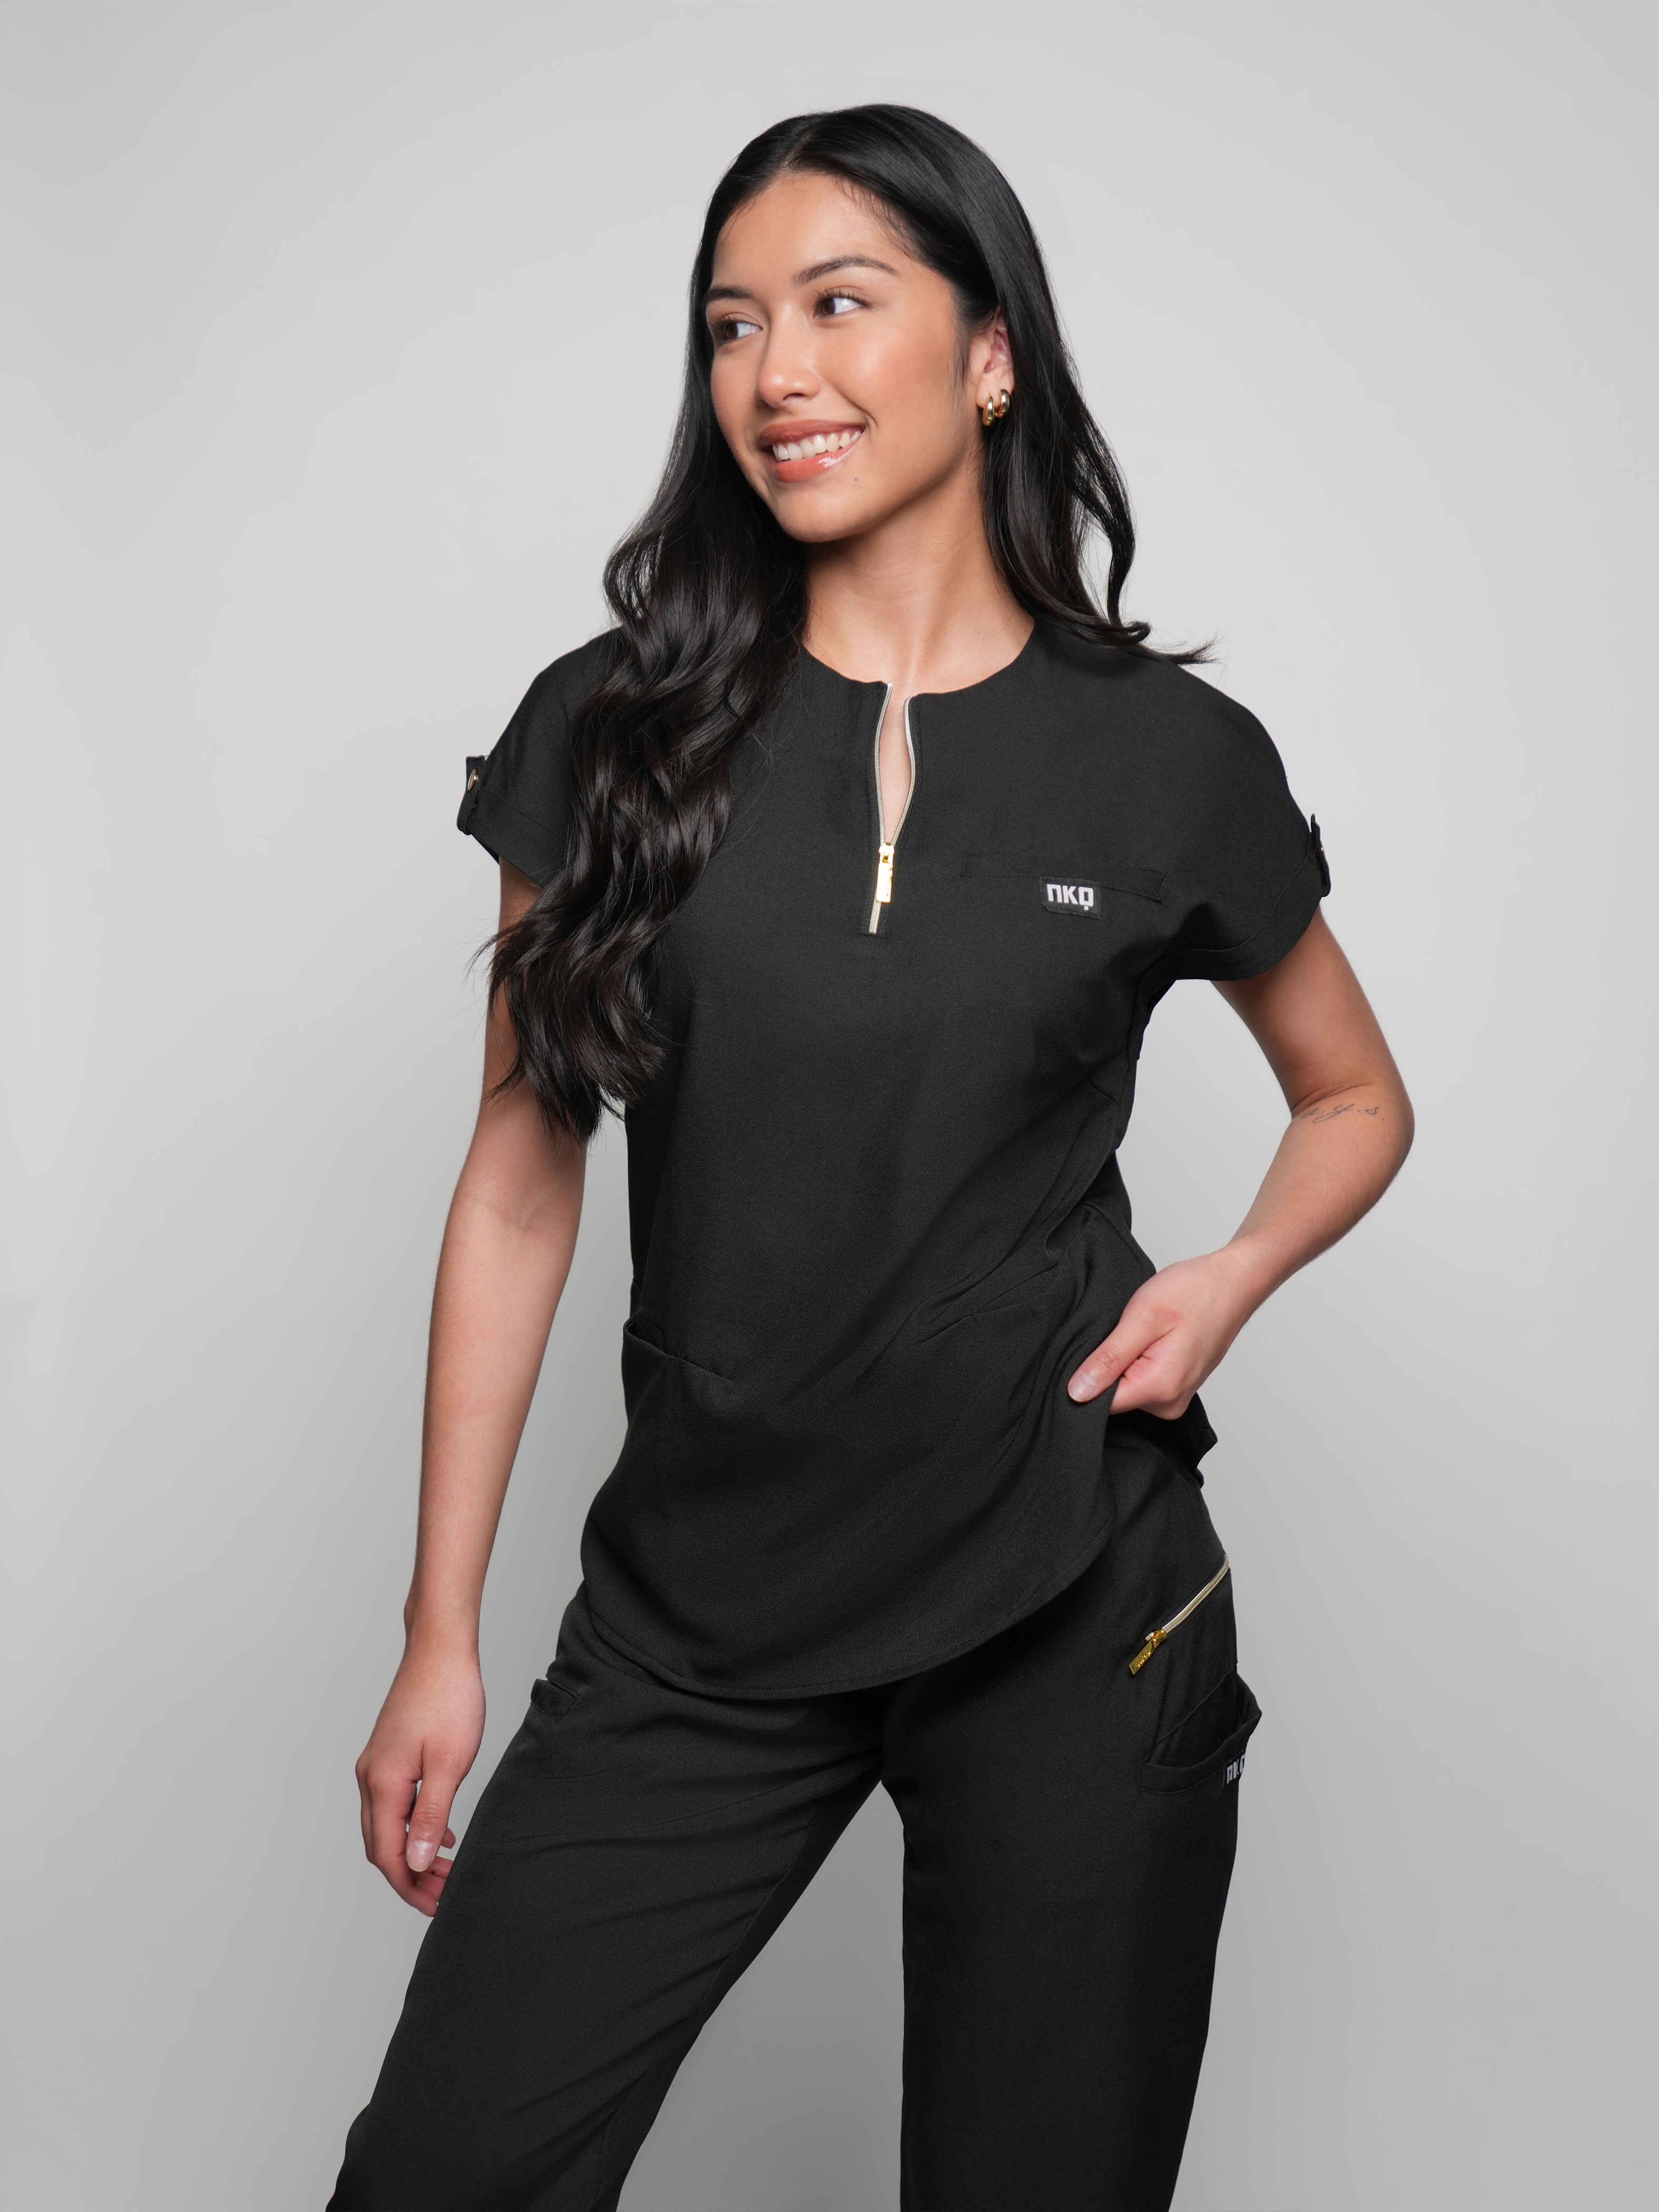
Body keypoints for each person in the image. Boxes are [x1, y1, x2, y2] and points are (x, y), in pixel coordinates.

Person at [329, 103, 1413, 2212]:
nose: (774, 372)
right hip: (696, 1608)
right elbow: (520, 1184)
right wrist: (439, 1628)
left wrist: (1224, 1279)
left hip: (1068, 1593)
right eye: (731, 324)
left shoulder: (1168, 761)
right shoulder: (610, 732)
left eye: (838, 304)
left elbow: (1354, 1099)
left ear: (989, 353)